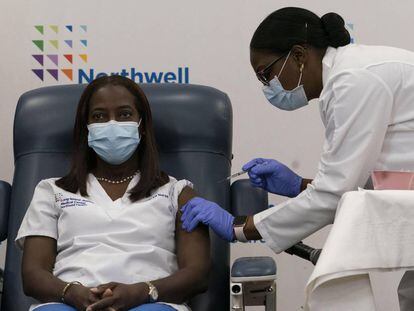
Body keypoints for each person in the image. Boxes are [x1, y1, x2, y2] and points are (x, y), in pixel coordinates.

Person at [180, 7, 414, 309]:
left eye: (266, 74)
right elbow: (377, 183)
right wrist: (300, 185)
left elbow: (334, 193)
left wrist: (240, 226)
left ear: (299, 55)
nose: (268, 87)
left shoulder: (353, 81)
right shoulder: (347, 79)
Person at [16, 75, 210, 311]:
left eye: (125, 114)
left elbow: (197, 273)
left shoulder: (177, 193)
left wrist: (142, 291)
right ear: (86, 129)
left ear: (143, 126)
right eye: (99, 116)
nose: (112, 124)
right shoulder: (51, 191)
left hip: (151, 304)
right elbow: (33, 274)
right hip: (70, 305)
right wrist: (70, 292)